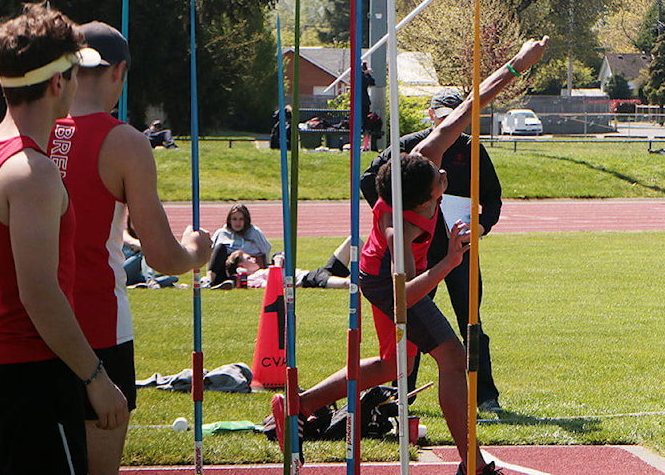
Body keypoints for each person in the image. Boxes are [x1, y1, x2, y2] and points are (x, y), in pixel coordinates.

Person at [270, 36, 549, 475]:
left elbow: (466, 109)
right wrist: (449, 262)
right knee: (452, 357)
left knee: (387, 365)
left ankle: (297, 406)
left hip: (389, 275)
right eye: (440, 181)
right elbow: (404, 297)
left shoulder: (420, 159)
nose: (445, 175)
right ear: (423, 200)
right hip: (387, 281)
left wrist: (516, 65)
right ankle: (471, 463)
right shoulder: (400, 231)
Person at [0, 2, 128, 475]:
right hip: (29, 381)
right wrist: (95, 376)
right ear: (56, 83)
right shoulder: (33, 173)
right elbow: (40, 294)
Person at [51, 20, 211, 475]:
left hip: (33, 326)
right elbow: (162, 256)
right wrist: (197, 252)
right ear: (119, 72)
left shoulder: (34, 129)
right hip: (98, 328)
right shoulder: (124, 142)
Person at [361, 87, 503, 413]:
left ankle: (485, 397)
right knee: (408, 331)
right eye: (444, 117)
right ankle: (400, 398)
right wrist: (398, 220)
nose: (454, 125)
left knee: (471, 323)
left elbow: (492, 197)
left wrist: (480, 227)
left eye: (457, 117)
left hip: (460, 251)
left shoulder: (473, 149)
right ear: (431, 116)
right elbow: (371, 179)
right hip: (418, 256)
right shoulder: (415, 147)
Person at [214, 237, 361, 290]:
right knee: (349, 285)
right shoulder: (254, 278)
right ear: (241, 267)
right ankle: (374, 282)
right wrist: (277, 267)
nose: (253, 258)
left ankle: (379, 267)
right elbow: (272, 287)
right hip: (309, 279)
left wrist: (279, 258)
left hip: (319, 271)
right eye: (248, 259)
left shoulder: (265, 269)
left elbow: (285, 256)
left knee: (352, 240)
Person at [203, 203, 271, 287]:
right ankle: (209, 280)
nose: (237, 223)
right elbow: (212, 253)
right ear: (229, 220)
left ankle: (233, 281)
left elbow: (266, 249)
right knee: (220, 247)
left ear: (246, 220)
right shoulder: (221, 232)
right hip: (224, 266)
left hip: (244, 268)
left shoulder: (254, 232)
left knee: (238, 257)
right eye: (234, 219)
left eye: (241, 219)